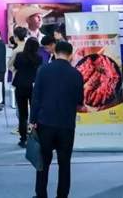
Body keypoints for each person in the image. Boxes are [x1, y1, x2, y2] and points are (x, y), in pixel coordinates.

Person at [30, 41, 84, 198]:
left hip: (45, 122)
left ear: (54, 52)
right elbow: (79, 101)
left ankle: (41, 194)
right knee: (65, 164)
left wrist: (32, 120)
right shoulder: (76, 74)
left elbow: (36, 97)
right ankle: (62, 195)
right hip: (66, 124)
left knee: (42, 163)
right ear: (71, 55)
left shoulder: (43, 70)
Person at [13, 37, 42, 148]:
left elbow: (15, 66)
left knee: (22, 114)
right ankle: (35, 137)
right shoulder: (39, 58)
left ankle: (23, 138)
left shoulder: (19, 56)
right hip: (34, 86)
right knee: (35, 113)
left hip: (20, 85)